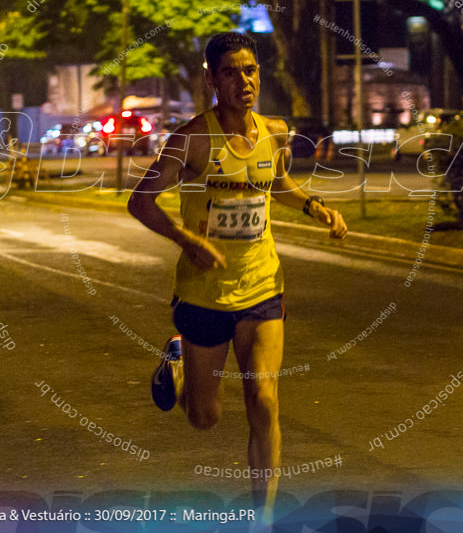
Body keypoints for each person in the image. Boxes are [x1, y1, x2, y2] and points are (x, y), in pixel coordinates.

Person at [127, 32, 347, 521]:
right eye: (230, 72)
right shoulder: (192, 139)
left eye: (250, 70)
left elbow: (277, 182)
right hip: (204, 295)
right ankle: (178, 357)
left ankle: (261, 519)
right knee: (205, 419)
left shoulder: (274, 131)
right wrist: (188, 240)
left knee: (264, 401)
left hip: (263, 287)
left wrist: (316, 207)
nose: (243, 81)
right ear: (210, 78)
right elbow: (139, 202)